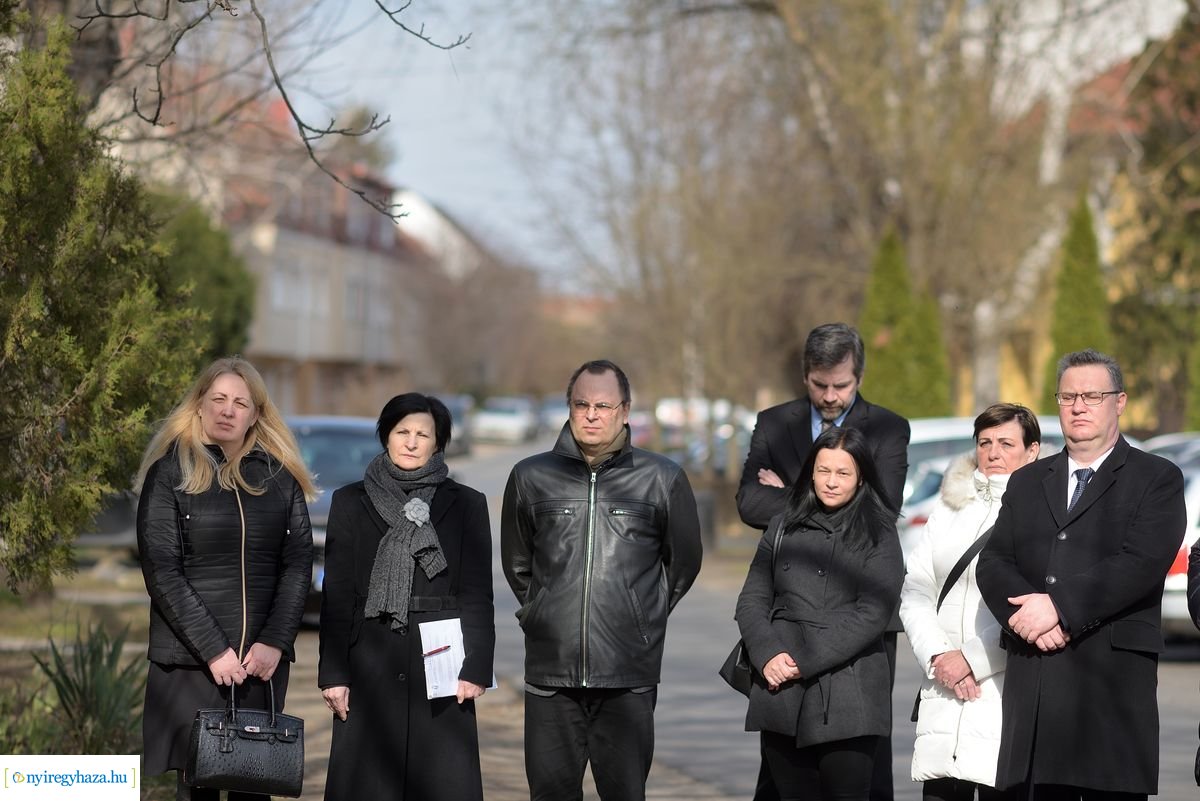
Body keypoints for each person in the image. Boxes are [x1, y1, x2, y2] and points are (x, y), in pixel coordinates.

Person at [976, 349, 1186, 801]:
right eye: (1068, 395)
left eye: (1093, 395)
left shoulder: (1157, 478)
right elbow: (994, 562)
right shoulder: (1028, 481)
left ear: (1120, 402)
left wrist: (1060, 608)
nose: (1078, 406)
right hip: (1035, 689)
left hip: (1108, 698)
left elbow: (1141, 562)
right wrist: (1026, 617)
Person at [501, 359, 703, 801]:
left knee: (625, 793)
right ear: (569, 408)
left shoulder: (662, 479)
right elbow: (518, 563)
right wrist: (541, 612)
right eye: (582, 404)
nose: (592, 414)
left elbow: (683, 564)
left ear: (625, 411)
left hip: (627, 674)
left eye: (604, 405)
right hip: (551, 673)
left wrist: (639, 616)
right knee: (551, 793)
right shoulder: (530, 476)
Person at [737, 322, 909, 801]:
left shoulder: (889, 427)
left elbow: (884, 507)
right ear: (804, 375)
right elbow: (749, 504)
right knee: (785, 776)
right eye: (819, 385)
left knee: (859, 774)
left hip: (852, 635)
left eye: (842, 385)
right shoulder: (775, 422)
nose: (831, 396)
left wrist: (794, 491)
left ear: (858, 375)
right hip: (786, 630)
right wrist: (810, 496)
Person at [136, 357, 315, 801]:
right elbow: (162, 572)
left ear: (255, 414)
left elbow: (297, 565)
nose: (227, 410)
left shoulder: (280, 479)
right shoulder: (170, 474)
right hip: (192, 662)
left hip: (259, 663)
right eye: (218, 399)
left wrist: (274, 641)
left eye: (240, 402)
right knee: (196, 785)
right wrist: (215, 651)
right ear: (199, 405)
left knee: (254, 784)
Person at [318, 393, 494, 801]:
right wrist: (334, 674)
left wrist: (477, 665)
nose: (412, 442)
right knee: (368, 785)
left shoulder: (466, 504)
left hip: (443, 661)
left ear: (438, 442)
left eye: (423, 434)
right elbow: (338, 594)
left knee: (441, 783)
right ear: (386, 436)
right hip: (369, 661)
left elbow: (476, 592)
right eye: (403, 432)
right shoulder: (350, 502)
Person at [900, 404, 1041, 801]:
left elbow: (1033, 605)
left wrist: (972, 661)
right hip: (943, 689)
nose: (993, 452)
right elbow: (917, 590)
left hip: (1002, 690)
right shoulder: (947, 506)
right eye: (985, 442)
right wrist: (938, 656)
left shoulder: (1042, 514)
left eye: (1006, 443)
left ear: (1032, 451)